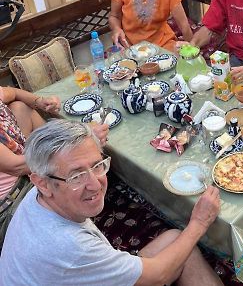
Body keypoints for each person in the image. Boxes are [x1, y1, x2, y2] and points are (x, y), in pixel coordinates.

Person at [0, 119, 223, 285]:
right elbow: (159, 275)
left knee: (177, 240)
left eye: (98, 165)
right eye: (76, 176)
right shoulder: (71, 247)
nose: (96, 185)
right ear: (43, 183)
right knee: (186, 241)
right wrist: (200, 222)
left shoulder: (36, 196)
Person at [0, 86, 108, 249]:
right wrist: (79, 145)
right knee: (78, 173)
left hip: (25, 176)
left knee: (22, 107)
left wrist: (39, 101)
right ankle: (78, 233)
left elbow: (13, 93)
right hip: (12, 201)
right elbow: (15, 166)